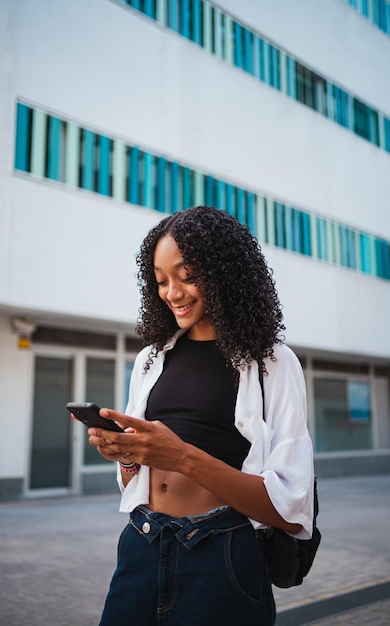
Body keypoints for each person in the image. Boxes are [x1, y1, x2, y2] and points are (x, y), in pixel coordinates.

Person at [87, 206, 314, 626]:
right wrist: (125, 454)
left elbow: (290, 510)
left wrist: (182, 456)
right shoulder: (150, 360)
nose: (172, 292)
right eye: (160, 280)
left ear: (225, 271)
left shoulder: (274, 364)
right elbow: (133, 481)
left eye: (187, 275)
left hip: (222, 554)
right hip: (142, 542)